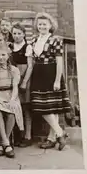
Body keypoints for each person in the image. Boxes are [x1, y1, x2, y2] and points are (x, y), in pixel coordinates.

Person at [28, 13, 72, 150]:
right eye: (40, 24)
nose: (42, 26)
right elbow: (32, 60)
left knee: (50, 107)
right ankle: (56, 136)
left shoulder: (55, 40)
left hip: (51, 73)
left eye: (45, 24)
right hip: (38, 73)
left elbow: (59, 62)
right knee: (44, 106)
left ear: (51, 25)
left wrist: (57, 80)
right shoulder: (34, 40)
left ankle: (56, 136)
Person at [0, 44, 24, 158]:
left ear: (8, 55)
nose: (1, 57)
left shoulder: (14, 70)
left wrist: (12, 100)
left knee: (11, 112)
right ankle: (7, 143)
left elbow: (15, 87)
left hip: (10, 94)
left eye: (3, 55)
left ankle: (2, 143)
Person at [11, 24, 34, 147]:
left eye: (19, 33)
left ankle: (28, 136)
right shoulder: (10, 46)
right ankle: (17, 135)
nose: (17, 36)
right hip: (13, 79)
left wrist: (24, 81)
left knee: (26, 108)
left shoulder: (27, 47)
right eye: (14, 33)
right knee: (15, 107)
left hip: (24, 78)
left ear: (24, 34)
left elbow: (30, 66)